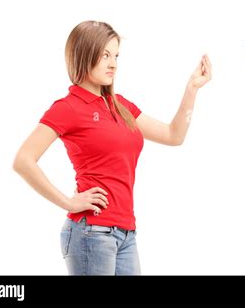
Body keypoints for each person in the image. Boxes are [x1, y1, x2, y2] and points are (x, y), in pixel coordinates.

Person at [13, 21, 211, 275]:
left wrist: (192, 89)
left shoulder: (120, 105)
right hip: (91, 233)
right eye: (105, 55)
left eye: (116, 55)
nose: (113, 63)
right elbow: (23, 160)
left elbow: (174, 135)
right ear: (83, 54)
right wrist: (69, 203)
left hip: (126, 233)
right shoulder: (68, 107)